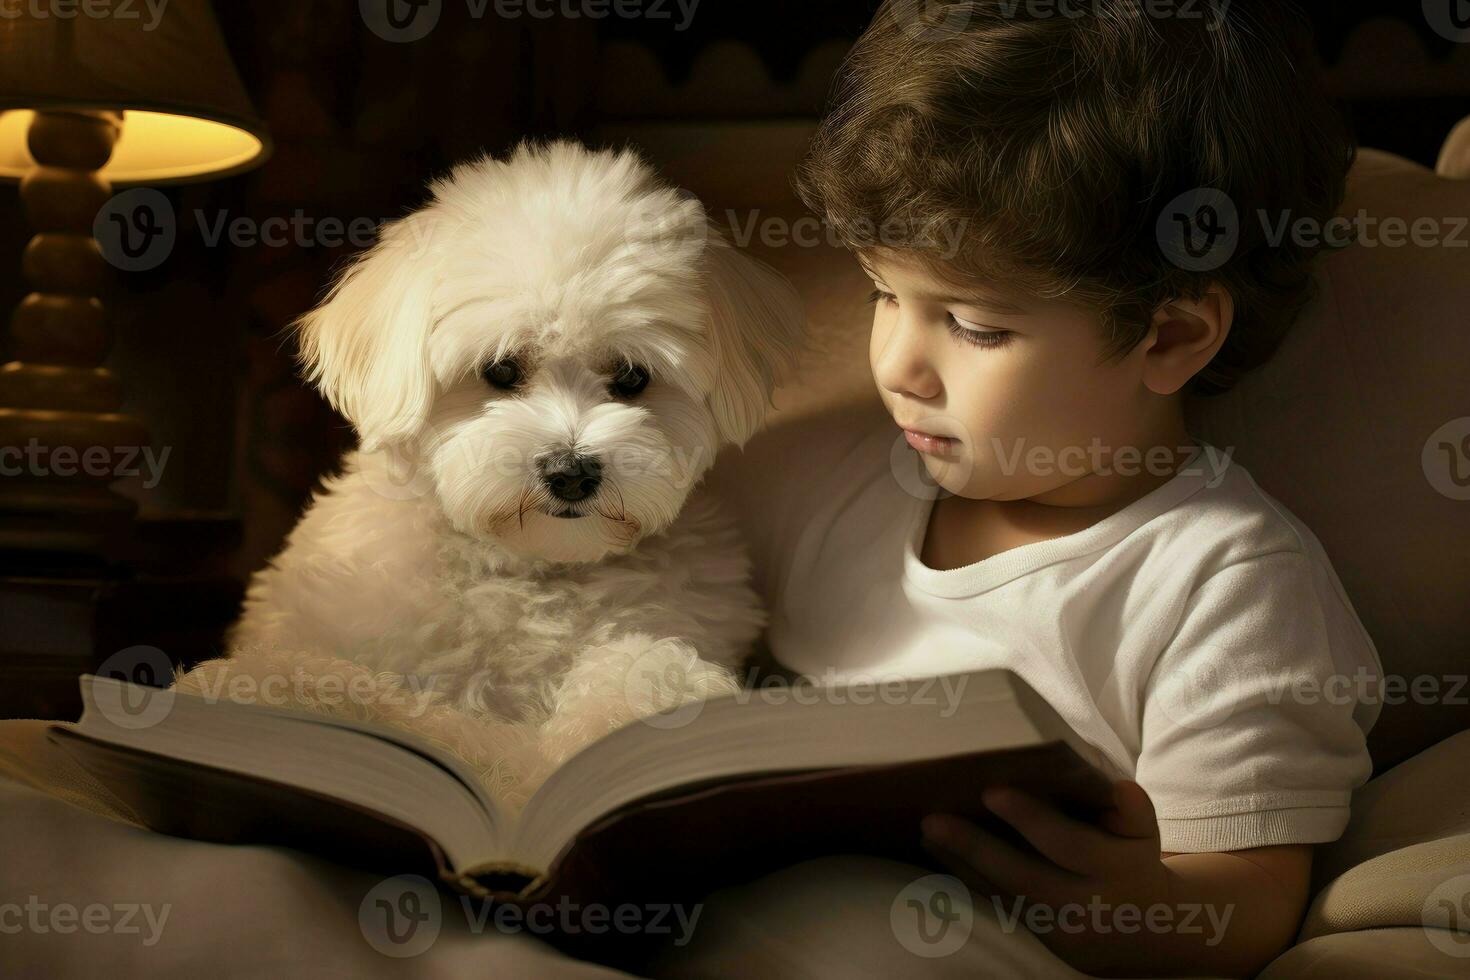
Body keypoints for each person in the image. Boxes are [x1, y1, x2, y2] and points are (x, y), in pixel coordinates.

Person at [653, 2, 1381, 977]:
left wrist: (1150, 906)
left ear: (1168, 337)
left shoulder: (1222, 580)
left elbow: (1250, 894)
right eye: (882, 294)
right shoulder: (837, 475)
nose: (898, 364)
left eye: (973, 324)